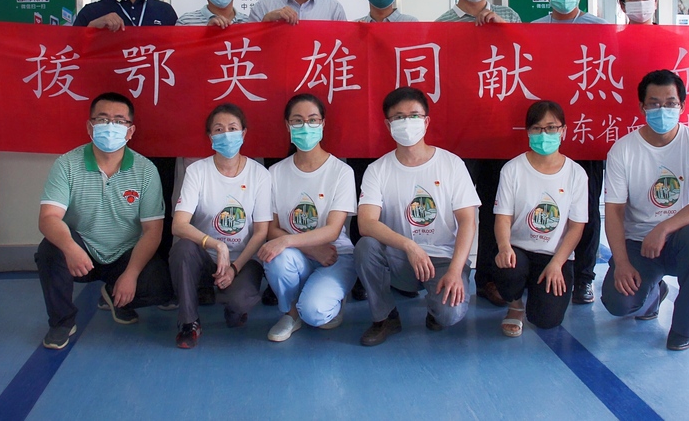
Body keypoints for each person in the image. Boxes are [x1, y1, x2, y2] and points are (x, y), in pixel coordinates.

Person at [73, 0, 178, 268]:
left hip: (158, 122)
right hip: (111, 125)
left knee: (158, 198)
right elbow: (70, 57)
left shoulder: (164, 12)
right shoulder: (92, 12)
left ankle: (156, 272)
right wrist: (91, 30)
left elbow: (181, 63)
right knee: (111, 199)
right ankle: (111, 270)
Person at [34, 92, 170, 350]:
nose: (110, 126)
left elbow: (152, 230)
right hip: (81, 253)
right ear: (90, 126)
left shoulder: (145, 170)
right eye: (103, 119)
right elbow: (48, 218)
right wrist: (71, 248)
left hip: (124, 254)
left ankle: (115, 294)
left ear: (130, 131)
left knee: (160, 286)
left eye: (119, 121)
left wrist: (131, 274)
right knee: (50, 249)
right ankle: (62, 322)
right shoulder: (67, 164)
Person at [600, 69, 689, 351]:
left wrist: (664, 228)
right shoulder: (623, 150)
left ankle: (683, 327)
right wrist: (622, 263)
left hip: (679, 238)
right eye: (654, 103)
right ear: (642, 107)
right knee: (618, 303)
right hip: (637, 243)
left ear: (682, 106)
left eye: (670, 103)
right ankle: (653, 292)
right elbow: (614, 212)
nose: (662, 110)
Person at [354, 87, 480, 346]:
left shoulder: (451, 164)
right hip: (400, 256)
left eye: (414, 115)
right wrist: (409, 246)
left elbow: (468, 220)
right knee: (365, 247)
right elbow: (366, 223)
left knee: (450, 314)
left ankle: (436, 308)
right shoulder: (377, 169)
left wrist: (456, 270)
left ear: (426, 121)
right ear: (388, 124)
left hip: (443, 258)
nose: (407, 122)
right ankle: (385, 317)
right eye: (399, 117)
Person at [434, 0, 519, 308]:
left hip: (499, 130)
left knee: (497, 206)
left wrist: (503, 30)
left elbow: (523, 60)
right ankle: (455, 271)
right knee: (460, 207)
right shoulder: (442, 23)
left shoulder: (509, 15)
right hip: (460, 134)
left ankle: (489, 277)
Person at [531, 0, 608, 307]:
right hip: (549, 133)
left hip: (588, 133)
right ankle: (547, 266)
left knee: (586, 208)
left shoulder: (599, 28)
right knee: (546, 203)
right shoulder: (534, 30)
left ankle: (585, 277)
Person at [169, 103, 271, 349]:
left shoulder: (260, 174)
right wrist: (216, 245)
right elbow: (178, 225)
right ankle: (189, 322)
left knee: (239, 304)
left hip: (243, 260)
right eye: (219, 129)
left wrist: (234, 267)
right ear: (210, 136)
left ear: (243, 133)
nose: (226, 134)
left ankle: (232, 305)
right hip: (205, 256)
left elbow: (261, 233)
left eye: (232, 128)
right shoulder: (197, 171)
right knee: (182, 249)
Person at [258, 94, 357, 342]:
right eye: (297, 120)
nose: (305, 126)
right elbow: (271, 229)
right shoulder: (274, 173)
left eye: (312, 120)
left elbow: (333, 230)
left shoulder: (341, 172)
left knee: (315, 313)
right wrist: (308, 248)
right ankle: (291, 314)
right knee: (275, 256)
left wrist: (288, 240)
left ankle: (329, 298)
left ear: (323, 124)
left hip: (335, 255)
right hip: (299, 255)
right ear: (287, 125)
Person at [492, 100, 588, 336]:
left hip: (554, 255)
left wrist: (557, 263)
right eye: (537, 128)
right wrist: (504, 247)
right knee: (508, 269)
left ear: (563, 130)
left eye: (551, 127)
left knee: (546, 320)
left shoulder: (576, 174)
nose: (544, 134)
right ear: (528, 132)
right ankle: (515, 305)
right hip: (519, 251)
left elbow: (576, 227)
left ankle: (538, 296)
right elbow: (503, 217)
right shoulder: (513, 169)